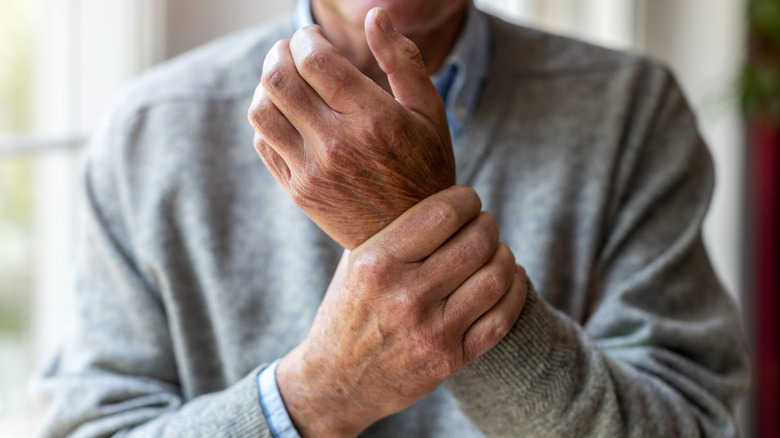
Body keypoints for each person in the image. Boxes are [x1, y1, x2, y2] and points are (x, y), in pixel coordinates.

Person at [34, 0, 750, 436]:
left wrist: (415, 225)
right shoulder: (150, 130)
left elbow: (688, 424)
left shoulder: (628, 108)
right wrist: (317, 395)